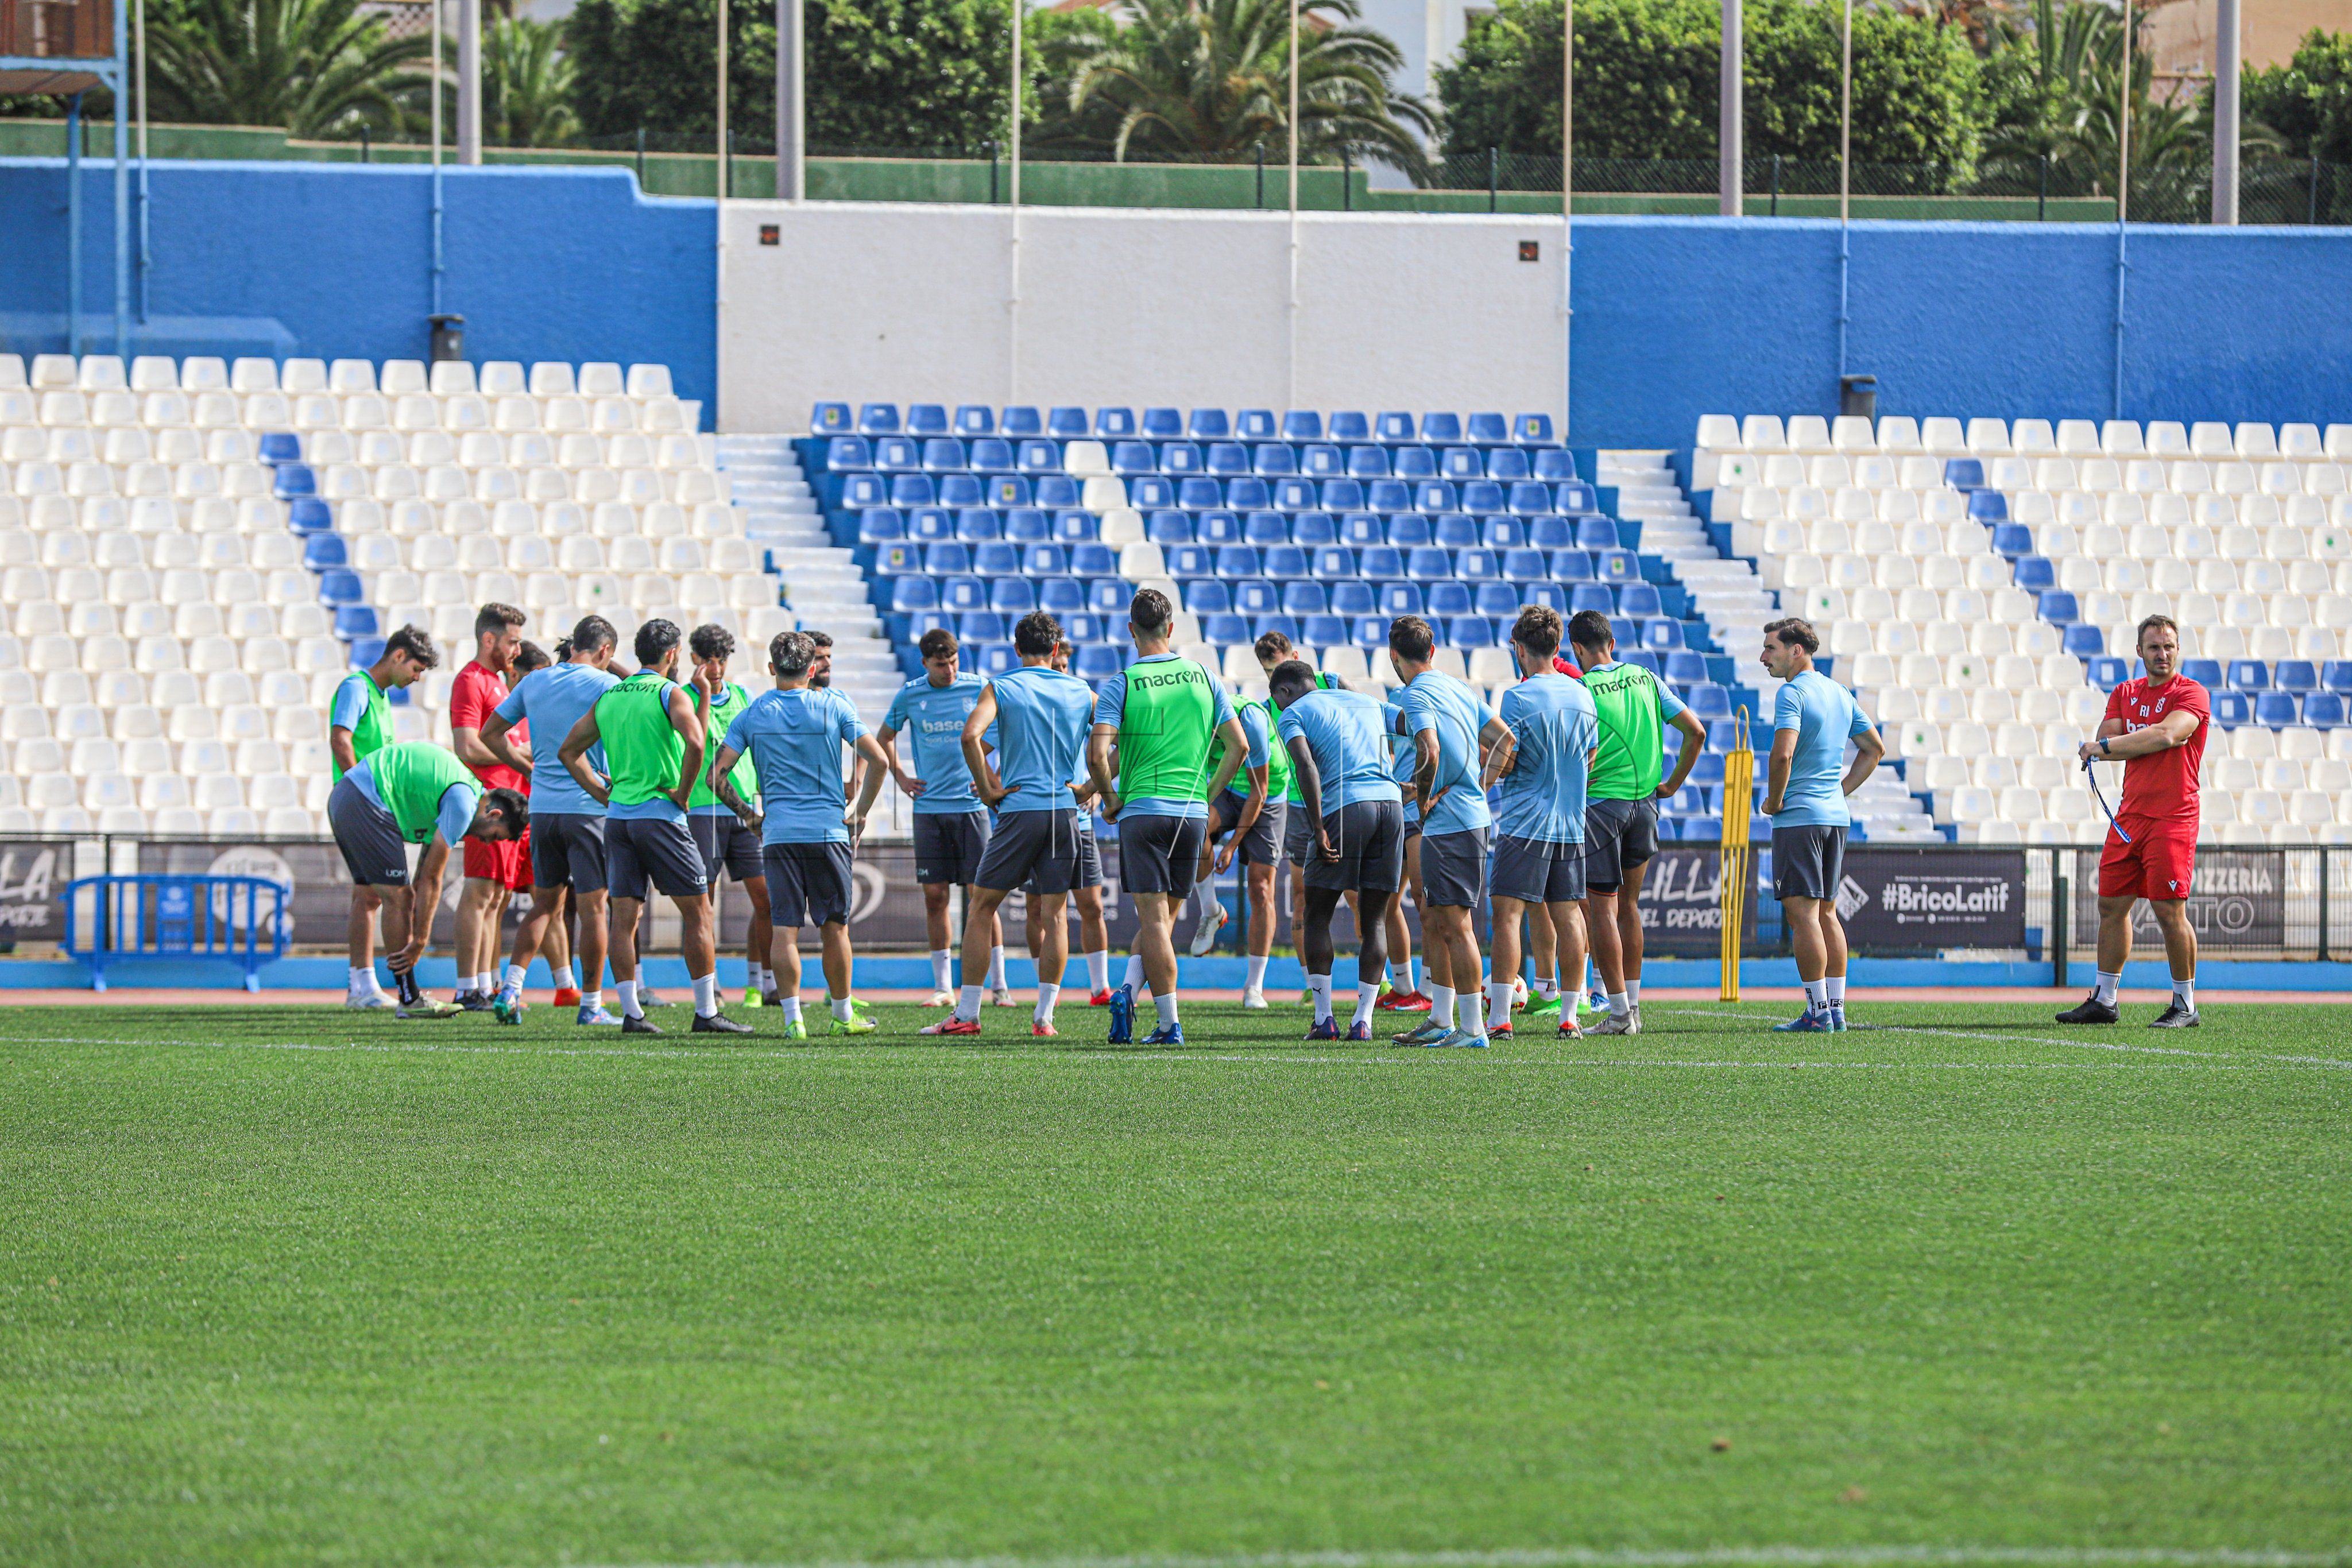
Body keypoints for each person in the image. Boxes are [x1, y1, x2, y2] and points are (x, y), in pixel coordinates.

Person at [554, 619, 750, 1036]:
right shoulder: (668, 692)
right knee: (699, 911)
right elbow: (697, 743)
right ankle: (705, 1011)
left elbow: (568, 751)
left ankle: (632, 1014)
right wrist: (682, 792)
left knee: (624, 917)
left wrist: (601, 794)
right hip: (660, 816)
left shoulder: (612, 694)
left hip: (619, 819)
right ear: (673, 653)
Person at [922, 611, 1100, 1037]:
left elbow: (970, 737)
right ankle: (1045, 1017)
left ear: (1016, 648)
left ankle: (967, 1013)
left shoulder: (1002, 686)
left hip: (1020, 808)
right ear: (1056, 650)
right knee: (1057, 914)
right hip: (1064, 812)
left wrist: (987, 792)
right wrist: (1092, 785)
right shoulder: (1081, 690)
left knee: (982, 906)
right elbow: (1123, 738)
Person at [707, 631, 891, 1037]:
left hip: (778, 835)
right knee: (835, 928)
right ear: (812, 669)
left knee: (784, 928)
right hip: (827, 832)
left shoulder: (753, 713)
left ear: (772, 668)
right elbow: (878, 759)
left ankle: (793, 1019)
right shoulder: (833, 705)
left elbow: (715, 777)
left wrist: (750, 817)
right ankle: (843, 1015)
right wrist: (859, 813)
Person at [1088, 589, 1250, 1044]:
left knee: (1155, 923)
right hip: (1192, 815)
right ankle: (1128, 990)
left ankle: (1168, 1024)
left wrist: (1110, 797)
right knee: (1164, 922)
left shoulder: (1122, 682)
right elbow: (1240, 747)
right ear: (1172, 629)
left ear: (1131, 630)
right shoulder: (1204, 676)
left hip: (1143, 810)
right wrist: (1207, 794)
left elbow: (1099, 753)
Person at [2059, 613, 2210, 1029]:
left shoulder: (2192, 693)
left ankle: (2185, 1004)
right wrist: (2107, 744)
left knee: (2168, 910)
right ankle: (2105, 1000)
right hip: (2131, 815)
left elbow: (2164, 735)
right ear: (2139, 650)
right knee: (2111, 903)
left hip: (2173, 817)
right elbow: (2110, 741)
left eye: (2169, 646)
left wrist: (2106, 744)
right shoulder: (2125, 691)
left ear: (2178, 650)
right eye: (2155, 646)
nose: (2163, 654)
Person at [1566, 609, 1707, 1036]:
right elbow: (1696, 732)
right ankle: (1635, 1007)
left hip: (1601, 807)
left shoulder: (1583, 688)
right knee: (1630, 907)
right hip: (1645, 805)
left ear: (1577, 649)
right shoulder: (1646, 677)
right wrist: (1672, 785)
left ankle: (1618, 1013)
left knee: (1602, 910)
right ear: (1611, 642)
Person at [326, 739, 528, 1019]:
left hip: (347, 796)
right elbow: (433, 878)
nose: (484, 841)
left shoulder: (463, 793)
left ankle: (365, 988)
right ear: (494, 813)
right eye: (493, 835)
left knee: (373, 895)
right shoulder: (463, 803)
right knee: (399, 897)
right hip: (364, 799)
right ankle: (409, 999)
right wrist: (420, 940)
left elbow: (424, 878)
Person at [484, 617, 622, 1026]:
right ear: (605, 652)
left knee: (544, 904)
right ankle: (592, 1006)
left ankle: (510, 990)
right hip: (589, 808)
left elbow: (492, 734)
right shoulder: (607, 685)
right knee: (595, 908)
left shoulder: (535, 681)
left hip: (543, 809)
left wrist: (527, 770)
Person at [1757, 616, 1884, 1033]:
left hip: (1800, 818)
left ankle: (1816, 1012)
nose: (1764, 657)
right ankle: (1836, 1009)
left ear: (1797, 650)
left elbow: (1782, 756)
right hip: (1834, 817)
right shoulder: (1838, 691)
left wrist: (1775, 801)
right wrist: (1839, 790)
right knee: (1828, 913)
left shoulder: (1792, 693)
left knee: (1804, 916)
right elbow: (1874, 749)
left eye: (1771, 648)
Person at [1270, 659, 1407, 1042]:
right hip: (1391, 805)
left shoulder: (1294, 712)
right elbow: (1414, 726)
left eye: (1278, 701)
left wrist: (1317, 827)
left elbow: (1306, 767)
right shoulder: (1362, 700)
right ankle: (1363, 1020)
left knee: (1317, 914)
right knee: (1376, 918)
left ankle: (1324, 1018)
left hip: (1345, 808)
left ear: (1285, 691)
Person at [1483, 605, 1599, 1042]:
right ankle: (1570, 1016)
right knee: (1569, 916)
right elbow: (1590, 756)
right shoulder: (1582, 694)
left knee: (1508, 917)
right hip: (1571, 820)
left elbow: (1507, 757)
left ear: (1520, 648)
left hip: (1524, 821)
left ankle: (1499, 1019)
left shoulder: (1518, 696)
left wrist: (1486, 775)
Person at [881, 628, 1012, 1010]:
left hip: (972, 809)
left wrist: (990, 777)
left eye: (954, 662)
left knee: (982, 896)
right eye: (941, 665)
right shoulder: (911, 693)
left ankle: (1000, 985)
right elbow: (885, 736)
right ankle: (943, 987)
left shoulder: (977, 688)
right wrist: (901, 775)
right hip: (929, 810)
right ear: (925, 663)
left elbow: (1006, 733)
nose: (950, 671)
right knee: (935, 897)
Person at [1384, 617, 1496, 1048]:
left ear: (1395, 656)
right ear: (1432, 652)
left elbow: (1428, 749)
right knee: (1439, 918)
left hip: (1450, 822)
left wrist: (1426, 796)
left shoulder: (1414, 694)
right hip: (1468, 816)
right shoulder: (1459, 688)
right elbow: (1504, 740)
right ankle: (1441, 1018)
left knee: (1455, 924)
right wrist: (1477, 785)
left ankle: (1471, 1029)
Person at [328, 624, 439, 1011]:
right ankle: (382, 985)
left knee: (369, 895)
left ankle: (361, 984)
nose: (417, 677)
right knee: (392, 895)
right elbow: (341, 738)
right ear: (397, 656)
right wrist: (364, 793)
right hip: (363, 804)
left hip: (366, 802)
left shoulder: (380, 696)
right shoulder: (356, 688)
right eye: (416, 668)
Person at [685, 624, 773, 1010]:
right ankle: (711, 985)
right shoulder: (685, 698)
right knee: (704, 904)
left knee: (766, 898)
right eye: (708, 659)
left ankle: (761, 982)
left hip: (745, 814)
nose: (716, 666)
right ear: (694, 660)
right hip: (703, 808)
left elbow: (759, 751)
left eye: (721, 658)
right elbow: (696, 743)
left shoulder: (744, 698)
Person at [447, 604, 529, 1012]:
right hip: (487, 805)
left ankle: (485, 982)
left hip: (508, 805)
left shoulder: (496, 683)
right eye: (512, 641)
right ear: (489, 639)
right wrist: (517, 758)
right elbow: (468, 745)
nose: (517, 649)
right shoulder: (470, 680)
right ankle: (466, 987)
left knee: (496, 897)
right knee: (479, 892)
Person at [1186, 656, 1278, 997]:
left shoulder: (1248, 718)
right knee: (1196, 830)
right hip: (1226, 786)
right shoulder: (1192, 720)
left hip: (1266, 793)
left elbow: (1260, 790)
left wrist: (1232, 844)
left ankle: (1254, 986)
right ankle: (1211, 912)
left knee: (1261, 888)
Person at [505, 640, 579, 1008]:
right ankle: (484, 984)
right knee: (491, 898)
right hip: (509, 813)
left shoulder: (537, 708)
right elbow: (477, 744)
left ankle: (564, 984)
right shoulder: (518, 703)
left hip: (535, 814)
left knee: (549, 900)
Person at [1042, 638, 1115, 1006]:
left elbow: (1104, 751)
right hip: (1041, 816)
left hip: (1080, 821)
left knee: (1092, 906)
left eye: (1066, 668)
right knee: (1043, 909)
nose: (1062, 673)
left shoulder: (1081, 703)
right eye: (1057, 667)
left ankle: (1100, 988)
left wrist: (1097, 790)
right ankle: (1041, 994)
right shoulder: (1036, 703)